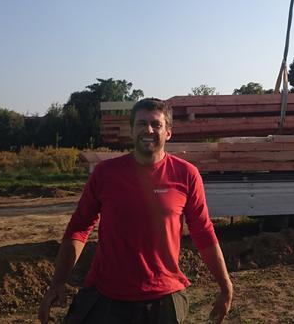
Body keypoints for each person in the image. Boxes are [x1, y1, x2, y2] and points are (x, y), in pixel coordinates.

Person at [38, 98, 233, 323]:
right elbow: (79, 228)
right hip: (105, 296)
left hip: (163, 299)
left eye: (156, 124)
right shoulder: (105, 173)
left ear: (168, 132)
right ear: (131, 130)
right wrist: (57, 283)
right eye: (141, 123)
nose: (148, 130)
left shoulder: (186, 175)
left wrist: (225, 285)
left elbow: (203, 232)